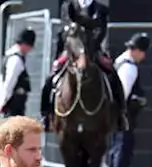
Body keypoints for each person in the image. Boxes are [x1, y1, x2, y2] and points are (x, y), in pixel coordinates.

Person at [40, 0, 125, 131]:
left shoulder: (101, 9)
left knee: (113, 74)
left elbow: (101, 31)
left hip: (93, 49)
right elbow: (65, 30)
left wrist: (91, 48)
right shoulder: (67, 7)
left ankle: (121, 114)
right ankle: (46, 115)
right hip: (72, 50)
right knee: (51, 77)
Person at [104, 32, 149, 167]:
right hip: (124, 116)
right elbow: (122, 93)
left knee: (116, 149)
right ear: (137, 50)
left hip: (118, 116)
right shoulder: (129, 67)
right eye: (143, 52)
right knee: (122, 150)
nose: (143, 57)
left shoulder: (120, 62)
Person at [0, 29, 35, 120]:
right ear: (24, 44)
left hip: (13, 104)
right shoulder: (16, 60)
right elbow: (10, 82)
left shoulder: (13, 57)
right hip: (13, 105)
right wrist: (2, 102)